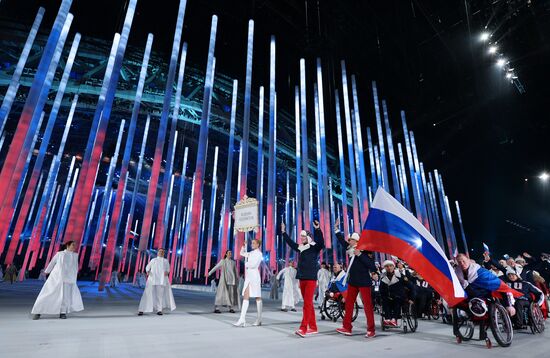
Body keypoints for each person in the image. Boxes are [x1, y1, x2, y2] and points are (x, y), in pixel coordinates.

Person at [334, 219, 377, 338]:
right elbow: (342, 242)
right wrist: (336, 229)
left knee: (368, 306)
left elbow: (371, 265)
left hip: (364, 281)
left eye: (351, 240)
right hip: (353, 281)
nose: (349, 241)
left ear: (356, 241)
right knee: (348, 304)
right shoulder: (350, 250)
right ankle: (347, 327)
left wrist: (360, 254)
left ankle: (371, 330)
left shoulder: (366, 250)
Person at [281, 220, 325, 337]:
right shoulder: (301, 247)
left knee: (307, 304)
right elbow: (290, 243)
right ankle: (314, 327)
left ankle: (303, 328)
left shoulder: (314, 247)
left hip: (311, 278)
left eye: (304, 236)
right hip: (302, 277)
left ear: (309, 237)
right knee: (308, 303)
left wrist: (318, 229)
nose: (302, 238)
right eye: (301, 236)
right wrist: (284, 232)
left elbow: (321, 242)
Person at [31, 241, 83, 320]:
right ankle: (37, 311)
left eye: (75, 245)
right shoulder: (60, 254)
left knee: (65, 297)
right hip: (56, 277)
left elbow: (75, 267)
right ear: (67, 245)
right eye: (73, 245)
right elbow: (52, 262)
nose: (74, 247)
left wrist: (74, 277)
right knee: (48, 293)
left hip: (68, 279)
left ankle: (62, 312)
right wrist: (46, 272)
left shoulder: (75, 256)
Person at [234, 239, 263, 327]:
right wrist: (243, 246)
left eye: (254, 243)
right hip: (249, 276)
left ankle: (259, 319)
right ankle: (242, 319)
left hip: (254, 275)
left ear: (258, 244)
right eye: (252, 243)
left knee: (257, 297)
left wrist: (246, 264)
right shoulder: (251, 253)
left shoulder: (259, 254)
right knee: (245, 296)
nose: (252, 244)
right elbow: (241, 253)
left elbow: (254, 265)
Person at [138, 248, 176, 316]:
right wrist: (148, 271)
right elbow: (147, 267)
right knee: (147, 294)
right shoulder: (153, 260)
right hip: (152, 279)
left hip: (161, 280)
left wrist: (167, 272)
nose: (161, 253)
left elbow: (168, 269)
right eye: (160, 251)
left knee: (159, 296)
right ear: (157, 253)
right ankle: (142, 309)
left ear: (164, 253)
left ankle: (159, 310)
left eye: (162, 252)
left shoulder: (165, 261)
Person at [379, 260, 408, 327]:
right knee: (385, 301)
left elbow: (409, 285)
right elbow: (381, 289)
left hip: (399, 296)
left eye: (390, 266)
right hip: (388, 296)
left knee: (397, 301)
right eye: (387, 266)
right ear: (385, 268)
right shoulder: (382, 277)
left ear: (393, 267)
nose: (389, 268)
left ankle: (394, 319)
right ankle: (388, 319)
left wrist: (411, 297)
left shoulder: (400, 275)